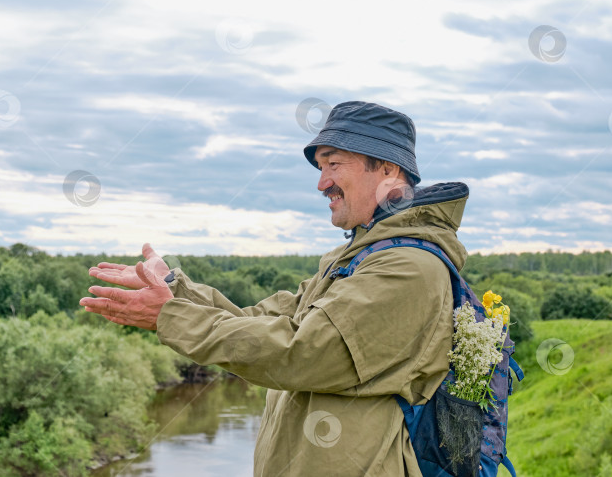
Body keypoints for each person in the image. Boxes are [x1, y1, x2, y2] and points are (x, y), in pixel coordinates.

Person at [81, 101, 470, 476]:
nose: (322, 183)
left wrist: (170, 316)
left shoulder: (409, 268)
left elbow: (301, 352)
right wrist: (172, 289)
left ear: (387, 170)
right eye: (321, 167)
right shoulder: (361, 257)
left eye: (333, 164)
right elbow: (258, 322)